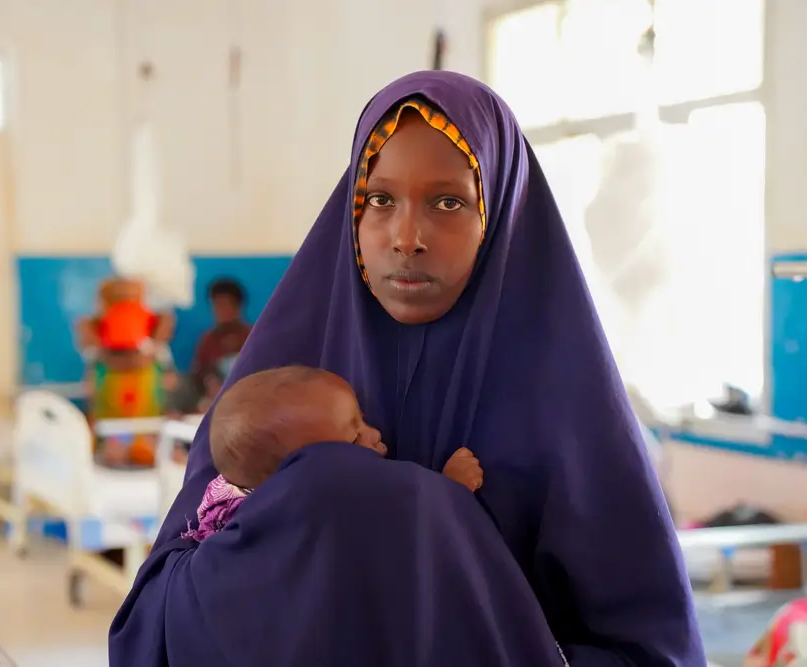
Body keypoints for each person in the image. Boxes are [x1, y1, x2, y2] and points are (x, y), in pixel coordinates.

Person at [110, 71, 706, 666]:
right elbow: (156, 619)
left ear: (498, 215)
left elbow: (650, 650)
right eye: (379, 200)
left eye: (448, 202)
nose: (406, 237)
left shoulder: (569, 414)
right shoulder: (277, 380)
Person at [183, 365, 485, 542]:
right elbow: (405, 528)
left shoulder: (222, 504)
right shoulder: (316, 515)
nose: (374, 433)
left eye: (362, 418)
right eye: (355, 436)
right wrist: (451, 488)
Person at [166, 278, 252, 417]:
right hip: (211, 400)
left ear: (237, 306)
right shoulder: (208, 339)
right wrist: (210, 383)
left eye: (224, 305)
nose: (219, 311)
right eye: (216, 305)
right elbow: (198, 373)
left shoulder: (251, 337)